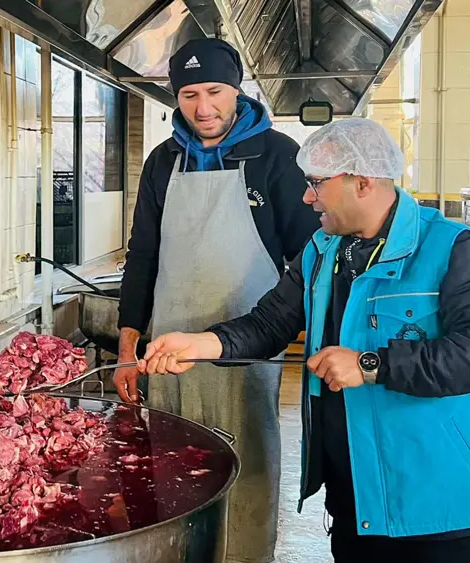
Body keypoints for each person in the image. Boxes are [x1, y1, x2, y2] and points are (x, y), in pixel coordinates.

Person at [140, 117, 470, 563]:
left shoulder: (455, 248)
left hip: (436, 505)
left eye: (316, 183)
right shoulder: (323, 250)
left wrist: (370, 365)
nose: (306, 197)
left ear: (362, 181)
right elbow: (269, 323)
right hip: (353, 499)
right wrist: (201, 344)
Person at [113, 38, 321, 563]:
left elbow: (311, 258)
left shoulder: (277, 156)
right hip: (167, 354)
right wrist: (126, 351)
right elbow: (143, 256)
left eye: (214, 91)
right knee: (172, 463)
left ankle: (248, 554)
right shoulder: (164, 161)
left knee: (245, 462)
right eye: (188, 95)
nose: (203, 108)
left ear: (237, 90)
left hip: (248, 346)